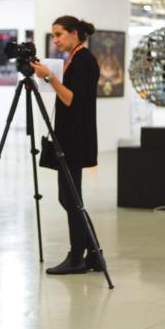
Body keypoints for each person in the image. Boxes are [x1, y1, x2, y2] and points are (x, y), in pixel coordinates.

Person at [32, 15, 102, 275]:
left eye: (59, 34)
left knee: (70, 198)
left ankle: (77, 258)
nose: (55, 40)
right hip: (70, 136)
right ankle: (93, 254)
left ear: (74, 34)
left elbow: (71, 99)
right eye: (53, 35)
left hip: (76, 139)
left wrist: (50, 77)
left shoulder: (84, 60)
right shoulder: (75, 58)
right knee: (71, 198)